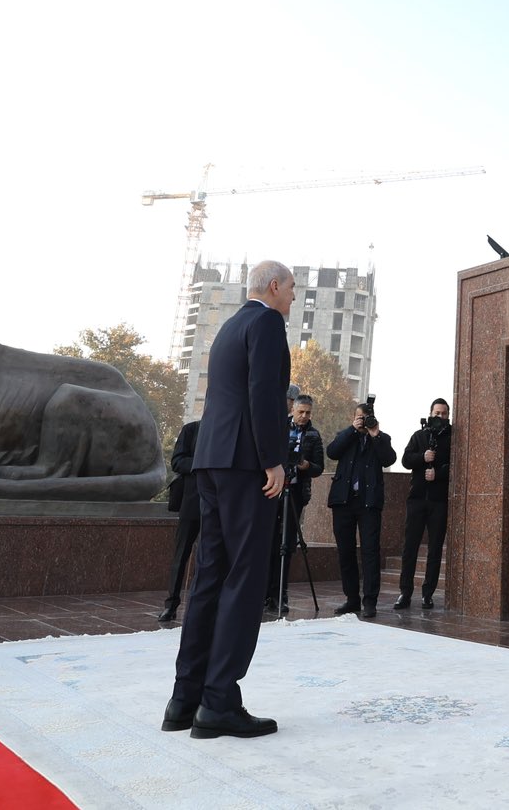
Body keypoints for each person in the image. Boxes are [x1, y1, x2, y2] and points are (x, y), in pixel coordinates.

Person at [163, 260, 292, 740]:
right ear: (274, 287)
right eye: (292, 289)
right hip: (245, 466)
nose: (293, 298)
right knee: (243, 578)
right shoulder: (266, 322)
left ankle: (185, 699)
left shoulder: (229, 326)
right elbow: (263, 393)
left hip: (212, 462)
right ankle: (218, 703)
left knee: (210, 578)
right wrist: (273, 459)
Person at [327, 401, 395, 619]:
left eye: (367, 418)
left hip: (369, 503)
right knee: (345, 551)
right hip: (343, 501)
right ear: (354, 418)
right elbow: (332, 452)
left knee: (370, 552)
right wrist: (351, 431)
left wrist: (374, 434)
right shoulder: (345, 436)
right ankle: (352, 599)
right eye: (360, 418)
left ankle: (370, 601)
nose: (363, 422)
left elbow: (389, 459)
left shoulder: (381, 439)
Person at [394, 398, 453, 610]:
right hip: (417, 499)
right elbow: (405, 459)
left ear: (448, 416)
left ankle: (428, 594)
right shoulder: (419, 436)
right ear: (430, 414)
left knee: (435, 550)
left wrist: (438, 473)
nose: (440, 417)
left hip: (439, 501)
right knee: (410, 548)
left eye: (444, 414)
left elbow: (457, 465)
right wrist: (423, 457)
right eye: (437, 413)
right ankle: (405, 593)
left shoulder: (452, 438)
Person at [268, 394, 323, 616]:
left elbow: (318, 468)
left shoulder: (314, 435)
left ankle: (281, 594)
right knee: (270, 541)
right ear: (293, 410)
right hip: (272, 491)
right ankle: (265, 593)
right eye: (301, 411)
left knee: (287, 544)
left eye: (308, 413)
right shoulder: (279, 428)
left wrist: (306, 464)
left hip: (297, 493)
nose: (304, 416)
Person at [158, 416, 201, 623]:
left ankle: (200, 605)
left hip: (219, 507)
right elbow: (177, 461)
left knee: (209, 557)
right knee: (181, 554)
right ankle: (171, 604)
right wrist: (201, 464)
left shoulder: (230, 432)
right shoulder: (191, 430)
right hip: (192, 504)